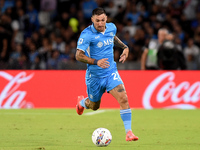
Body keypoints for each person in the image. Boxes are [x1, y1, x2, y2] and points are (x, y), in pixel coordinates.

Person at [75, 7, 138, 142]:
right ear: (92, 20)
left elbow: (112, 37)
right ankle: (81, 103)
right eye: (97, 20)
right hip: (95, 77)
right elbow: (78, 56)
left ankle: (129, 133)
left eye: (103, 20)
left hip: (110, 73)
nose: (100, 23)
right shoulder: (86, 34)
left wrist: (125, 47)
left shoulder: (111, 27)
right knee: (94, 106)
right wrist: (96, 61)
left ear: (106, 19)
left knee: (124, 98)